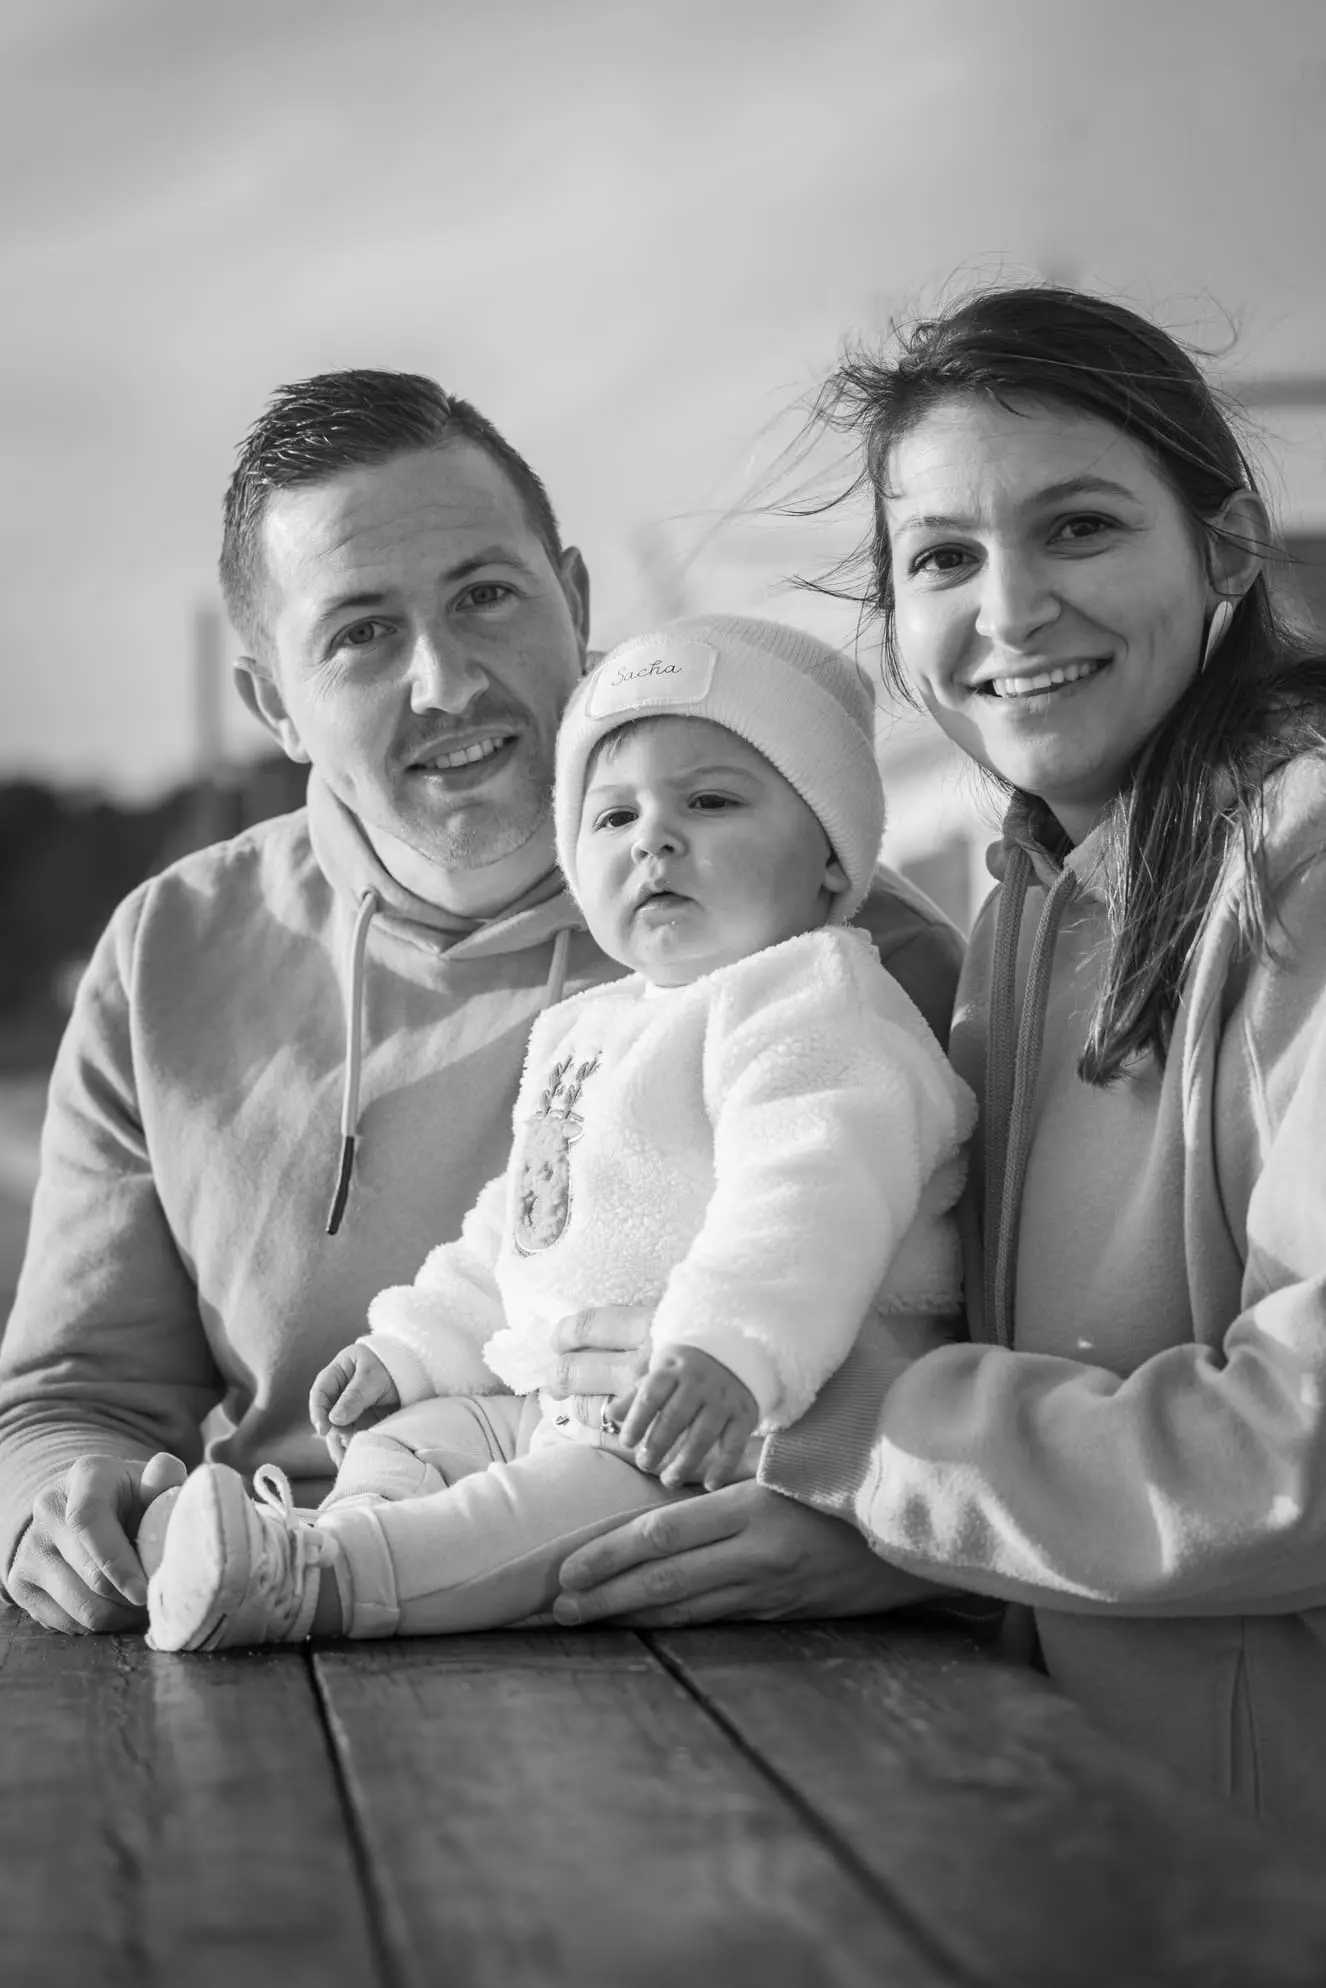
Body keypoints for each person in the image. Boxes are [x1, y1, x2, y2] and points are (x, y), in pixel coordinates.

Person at [0, 371, 966, 1636]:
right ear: (273, 704)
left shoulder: (840, 943)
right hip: (265, 1637)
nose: (445, 681)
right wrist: (58, 1498)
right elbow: (78, 1386)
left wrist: (888, 1535)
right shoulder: (166, 953)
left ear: (571, 597)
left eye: (485, 596)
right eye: (359, 633)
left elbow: (999, 1366)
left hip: (726, 1644)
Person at [545, 286, 1326, 1830]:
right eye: (943, 559)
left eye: (1081, 528)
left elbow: (1296, 1456)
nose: (1011, 609)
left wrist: (828, 1427)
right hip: (1062, 1818)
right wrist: (903, 1536)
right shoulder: (1017, 906)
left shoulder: (1297, 878)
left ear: (1226, 550)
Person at [142, 615, 976, 1650]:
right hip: (554, 1396)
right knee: (419, 1439)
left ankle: (329, 1580)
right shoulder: (597, 1023)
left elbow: (811, 1196)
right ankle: (338, 1531)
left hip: (725, 1421)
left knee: (543, 1509)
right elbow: (524, 1222)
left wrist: (726, 1347)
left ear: (828, 857)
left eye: (710, 802)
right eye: (614, 815)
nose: (654, 840)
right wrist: (413, 1345)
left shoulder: (818, 1003)